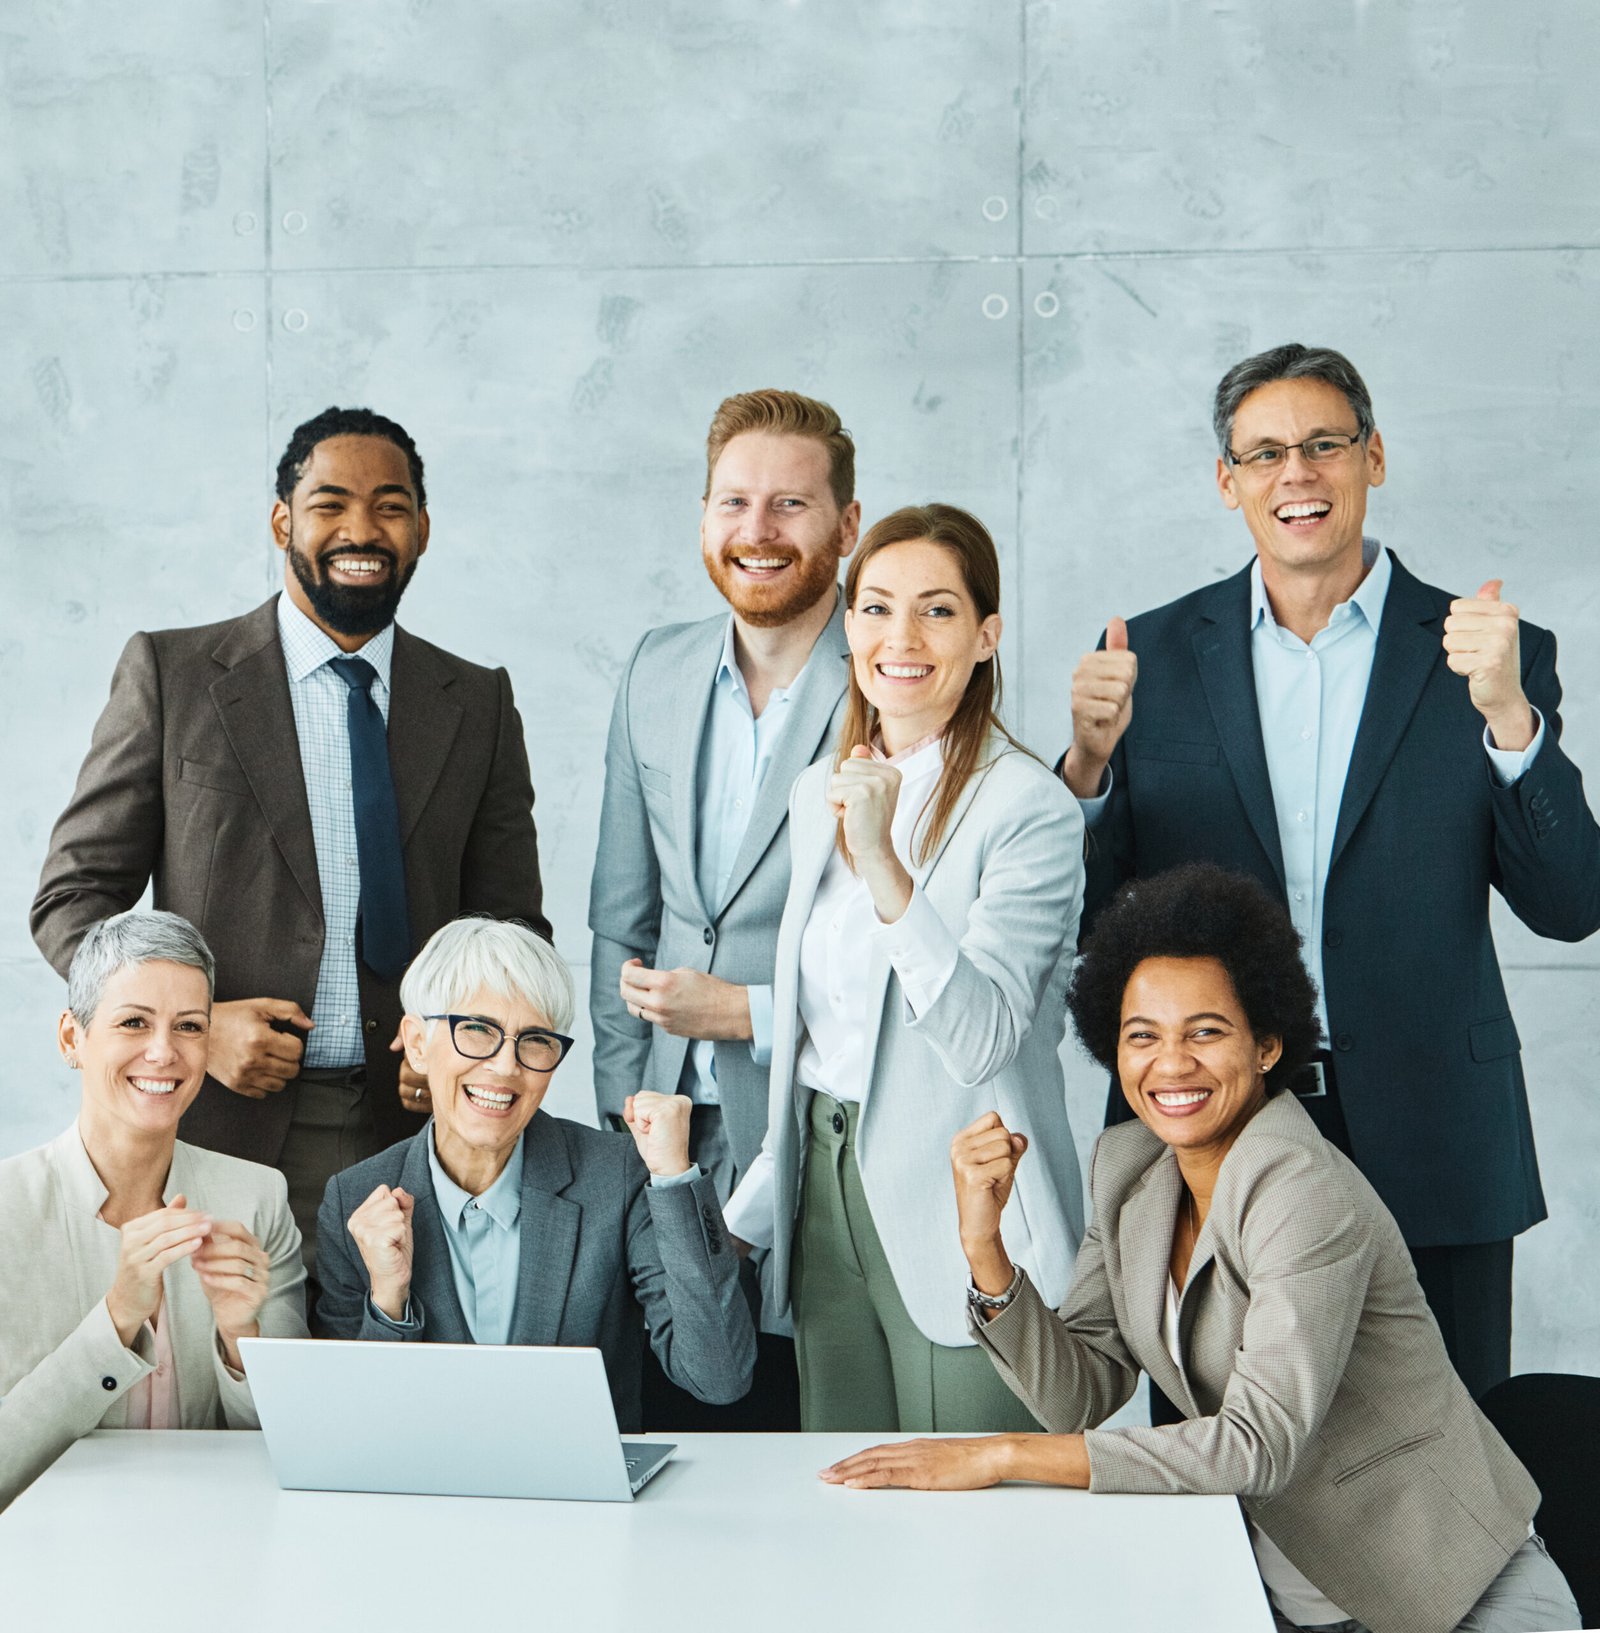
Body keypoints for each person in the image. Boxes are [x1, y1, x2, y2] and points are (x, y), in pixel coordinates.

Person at [822, 865, 1579, 1633]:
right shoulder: (1127, 1171)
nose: (1171, 1063)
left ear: (1267, 1045)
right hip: (1284, 1601)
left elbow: (1256, 1446)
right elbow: (1079, 1394)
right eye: (1142, 1035)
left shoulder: (1303, 1190)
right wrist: (984, 1246)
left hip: (1452, 1599)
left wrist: (1000, 1455)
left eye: (1205, 1031)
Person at [1056, 343, 1600, 1400]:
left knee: (1438, 1487)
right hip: (1213, 1118)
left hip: (1434, 1126)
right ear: (1228, 482)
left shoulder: (1486, 650)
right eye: (1263, 454)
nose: (1294, 474)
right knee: (1218, 1471)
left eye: (1321, 445)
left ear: (1373, 456)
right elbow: (1085, 929)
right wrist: (1082, 767)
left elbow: (1571, 903)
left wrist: (1508, 717)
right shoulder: (1150, 657)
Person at [32, 407, 551, 1281]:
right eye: (330, 503)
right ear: (284, 520)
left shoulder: (478, 702)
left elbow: (512, 930)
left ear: (422, 529)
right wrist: (195, 1027)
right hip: (217, 1126)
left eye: (391, 506)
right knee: (233, 1397)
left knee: (391, 1396)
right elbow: (72, 902)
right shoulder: (176, 675)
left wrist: (462, 1041)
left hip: (421, 1136)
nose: (361, 529)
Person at [722, 503, 1085, 1432]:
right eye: (877, 608)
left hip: (965, 1206)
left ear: (986, 634)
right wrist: (761, 1197)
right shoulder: (819, 790)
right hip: (825, 1188)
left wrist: (885, 865)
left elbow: (982, 1038)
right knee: (844, 1506)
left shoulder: (1030, 807)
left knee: (972, 1523)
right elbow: (821, 1031)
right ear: (849, 628)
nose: (902, 637)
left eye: (937, 610)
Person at [588, 388, 860, 1429]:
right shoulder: (653, 669)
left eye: (790, 505)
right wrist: (626, 1103)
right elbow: (620, 916)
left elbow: (909, 956)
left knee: (811, 1425)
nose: (757, 531)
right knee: (680, 1422)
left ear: (847, 524)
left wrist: (744, 1006)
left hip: (821, 1128)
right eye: (733, 502)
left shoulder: (892, 675)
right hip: (665, 1134)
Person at [316, 918, 755, 1430]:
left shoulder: (618, 1176)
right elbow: (353, 1426)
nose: (506, 1067)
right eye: (477, 1029)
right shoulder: (353, 1201)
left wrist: (675, 1179)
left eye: (535, 1039)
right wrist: (387, 1301)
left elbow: (720, 1377)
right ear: (416, 1043)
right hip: (427, 1500)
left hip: (581, 1500)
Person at [0, 911, 307, 1511]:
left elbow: (290, 1447)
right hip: (52, 1563)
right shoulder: (7, 1210)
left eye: (190, 1026)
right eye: (134, 1022)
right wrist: (117, 1318)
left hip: (220, 1550)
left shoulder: (258, 1198)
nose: (163, 1052)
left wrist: (240, 1336)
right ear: (72, 1038)